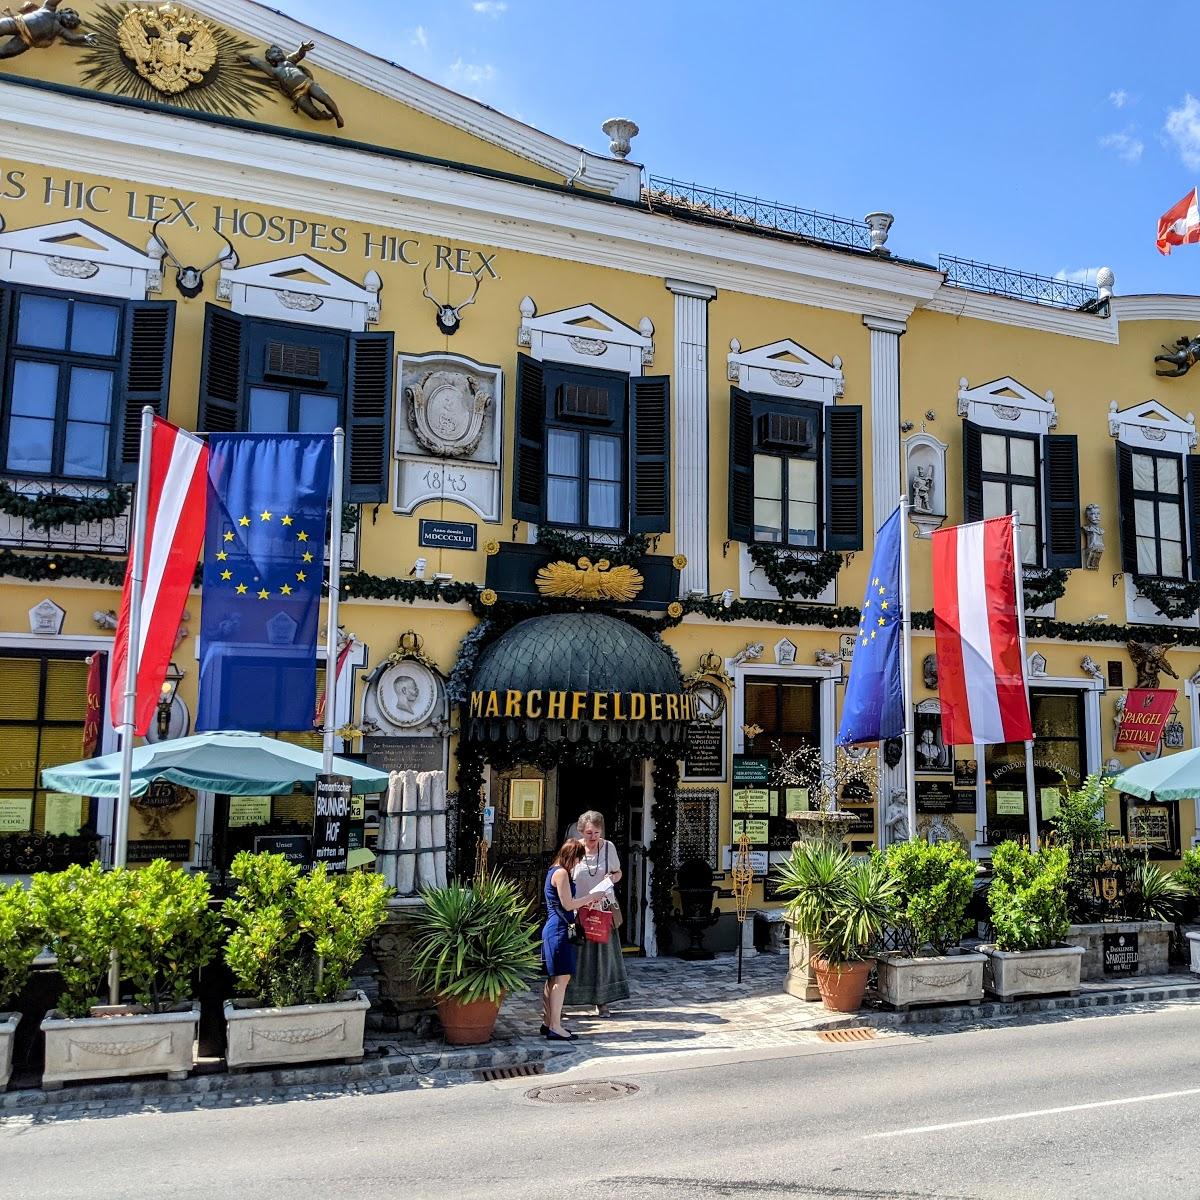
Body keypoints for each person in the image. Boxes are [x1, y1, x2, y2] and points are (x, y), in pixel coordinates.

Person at [565, 811, 631, 1016]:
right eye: (588, 833)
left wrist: (612, 879)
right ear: (581, 832)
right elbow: (564, 873)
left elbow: (618, 872)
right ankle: (567, 999)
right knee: (575, 954)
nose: (592, 837)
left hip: (602, 908)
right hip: (578, 908)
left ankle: (602, 1001)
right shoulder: (574, 848)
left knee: (603, 957)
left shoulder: (608, 847)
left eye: (596, 832)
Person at [541, 839, 597, 1041]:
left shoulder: (553, 871)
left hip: (555, 928)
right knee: (561, 978)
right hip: (559, 929)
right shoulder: (562, 873)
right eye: (577, 859)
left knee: (553, 978)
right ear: (571, 856)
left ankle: (548, 1022)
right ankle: (555, 1026)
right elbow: (567, 904)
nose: (577, 863)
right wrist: (592, 897)